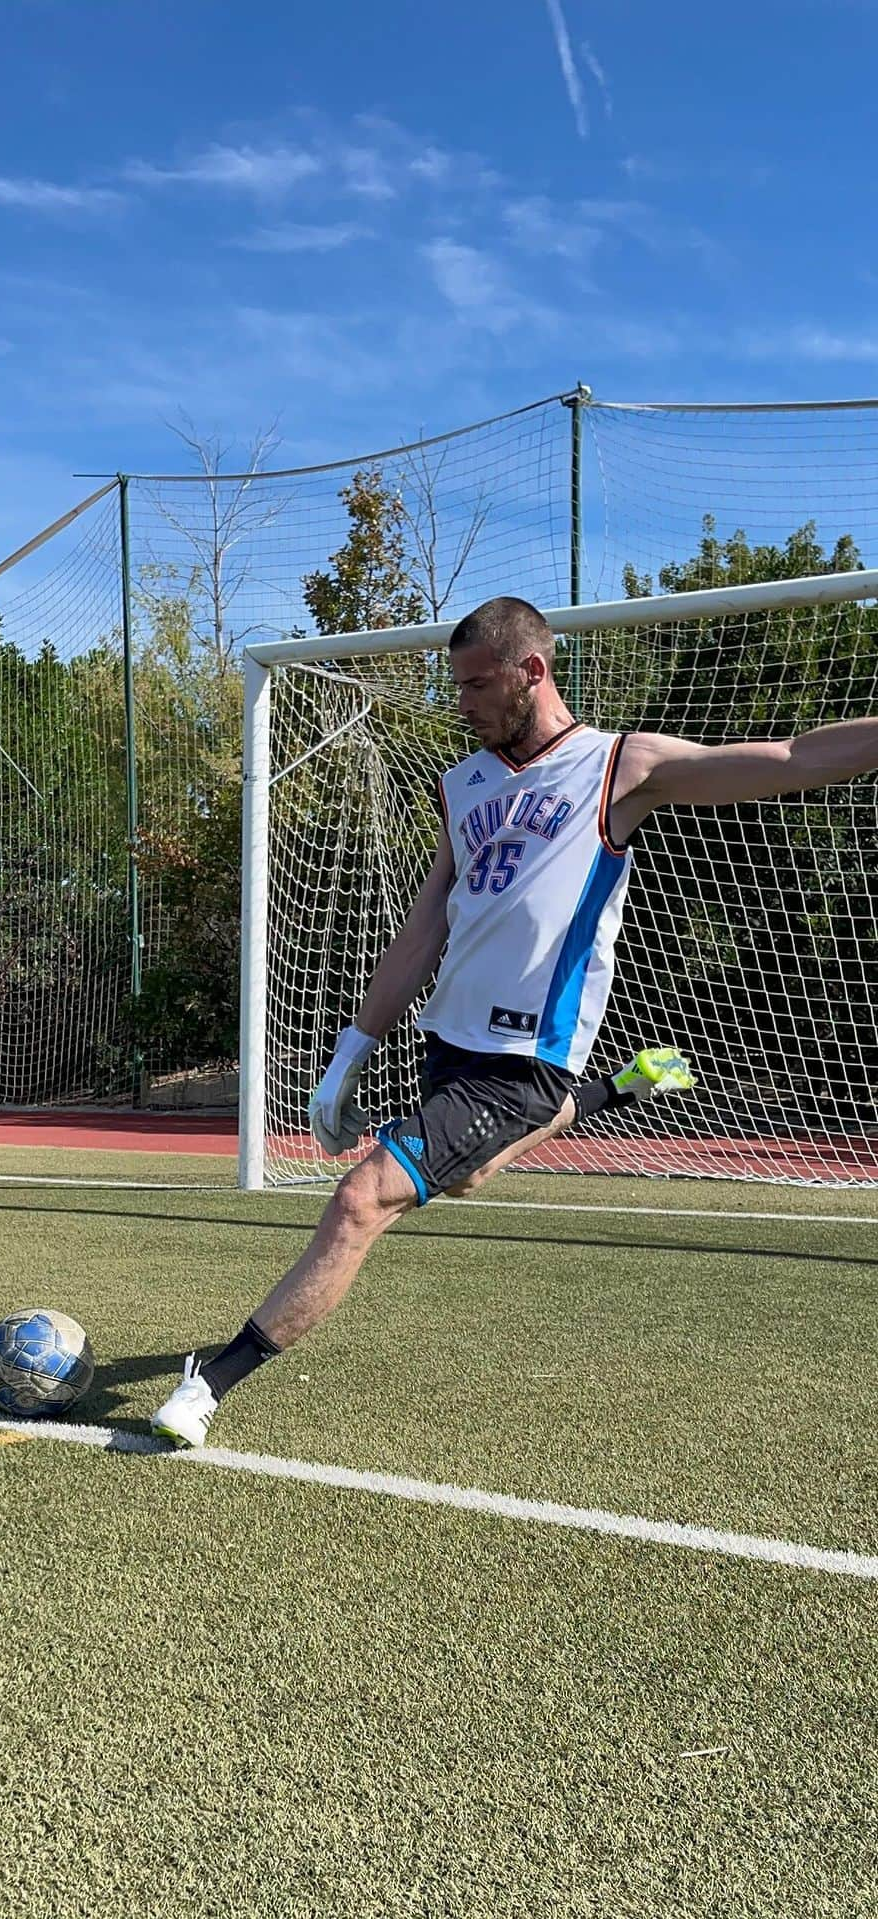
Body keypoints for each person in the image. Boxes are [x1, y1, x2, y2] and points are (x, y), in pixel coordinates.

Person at [152, 591, 874, 1447]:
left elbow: (791, 756)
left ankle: (211, 1383)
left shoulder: (621, 765)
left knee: (358, 1201)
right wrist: (352, 1049)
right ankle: (618, 1089)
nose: (461, 704)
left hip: (525, 1057)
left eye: (475, 684)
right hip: (448, 1044)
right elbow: (426, 925)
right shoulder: (462, 785)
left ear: (531, 671)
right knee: (464, 1177)